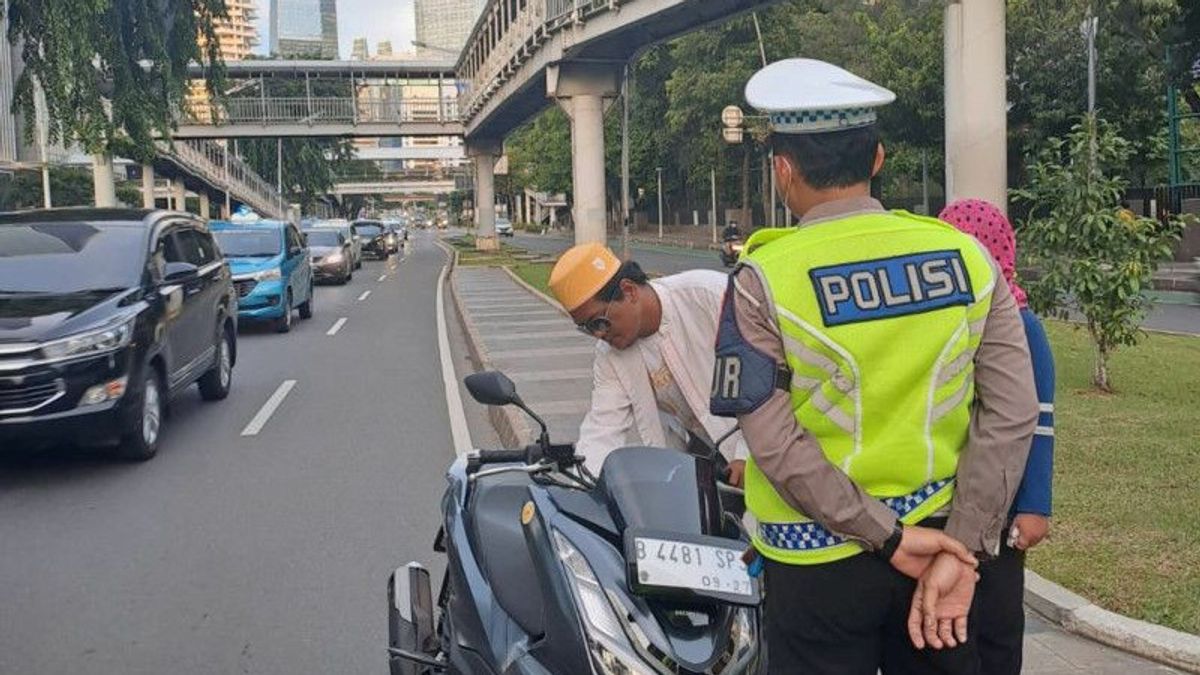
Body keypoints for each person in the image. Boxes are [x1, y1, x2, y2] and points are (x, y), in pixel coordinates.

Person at [709, 58, 1040, 674]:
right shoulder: (966, 257)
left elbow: (775, 443)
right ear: (878, 158)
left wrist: (887, 537)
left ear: (783, 171)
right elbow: (1013, 412)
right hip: (942, 549)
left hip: (816, 566)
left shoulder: (761, 282)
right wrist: (961, 548)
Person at [939, 199, 1055, 675]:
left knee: (999, 615)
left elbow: (1040, 421)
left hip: (1003, 509)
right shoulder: (942, 323)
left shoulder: (1021, 325)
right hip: (949, 499)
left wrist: (1034, 504)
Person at [548, 242, 748, 483]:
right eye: (588, 329)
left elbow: (768, 376)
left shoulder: (709, 296)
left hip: (767, 451)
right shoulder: (609, 355)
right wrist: (583, 488)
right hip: (700, 459)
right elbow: (603, 428)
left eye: (599, 322)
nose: (599, 335)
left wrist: (746, 454)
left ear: (629, 291)